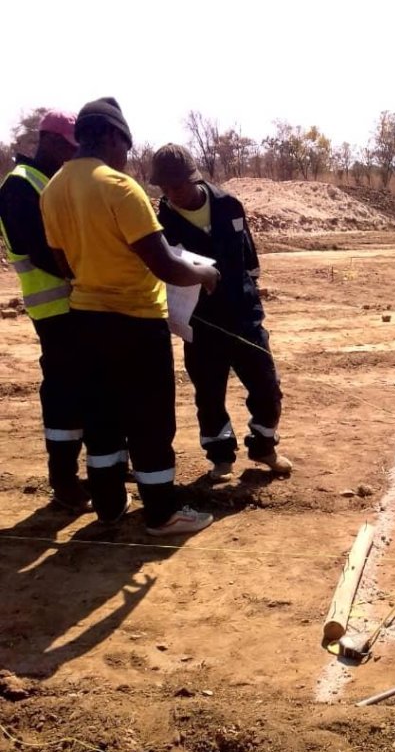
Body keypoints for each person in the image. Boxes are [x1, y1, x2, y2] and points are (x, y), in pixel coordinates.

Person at [40, 98, 220, 536]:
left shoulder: (53, 190)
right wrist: (205, 273)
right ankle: (161, 513)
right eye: (126, 144)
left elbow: (64, 264)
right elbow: (165, 265)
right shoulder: (119, 187)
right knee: (150, 419)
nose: (126, 154)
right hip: (136, 323)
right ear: (110, 136)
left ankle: (109, 505)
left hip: (85, 320)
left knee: (101, 418)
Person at [151, 144, 291, 483]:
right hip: (201, 323)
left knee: (267, 386)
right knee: (209, 395)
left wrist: (251, 298)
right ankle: (220, 456)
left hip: (244, 317)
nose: (172, 194)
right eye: (165, 188)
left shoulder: (229, 205)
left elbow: (249, 259)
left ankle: (263, 446)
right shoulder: (161, 223)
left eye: (177, 186)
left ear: (194, 178)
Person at [0, 110, 90, 511]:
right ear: (50, 141)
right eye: (69, 147)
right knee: (64, 393)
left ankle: (100, 466)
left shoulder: (54, 180)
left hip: (78, 303)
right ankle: (64, 480)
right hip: (55, 309)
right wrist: (88, 275)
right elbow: (39, 251)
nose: (73, 154)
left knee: (89, 388)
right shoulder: (20, 185)